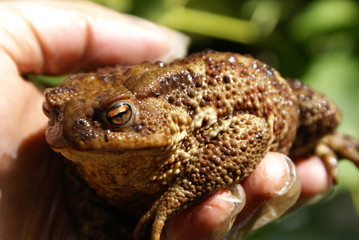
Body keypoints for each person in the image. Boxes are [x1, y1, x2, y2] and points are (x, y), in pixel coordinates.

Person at [0, 2, 334, 240]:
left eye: (117, 117)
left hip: (263, 98)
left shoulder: (182, 119)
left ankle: (326, 141)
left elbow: (252, 129)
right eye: (53, 112)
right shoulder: (78, 156)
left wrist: (186, 190)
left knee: (322, 111)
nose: (72, 129)